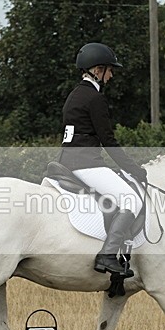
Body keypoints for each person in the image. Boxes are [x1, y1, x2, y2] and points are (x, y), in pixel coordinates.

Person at [58, 42, 147, 276]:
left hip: (69, 160)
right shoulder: (94, 99)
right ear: (97, 70)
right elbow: (108, 141)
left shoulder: (75, 95)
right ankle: (107, 255)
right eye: (109, 70)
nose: (111, 75)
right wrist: (134, 169)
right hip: (85, 164)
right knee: (132, 200)